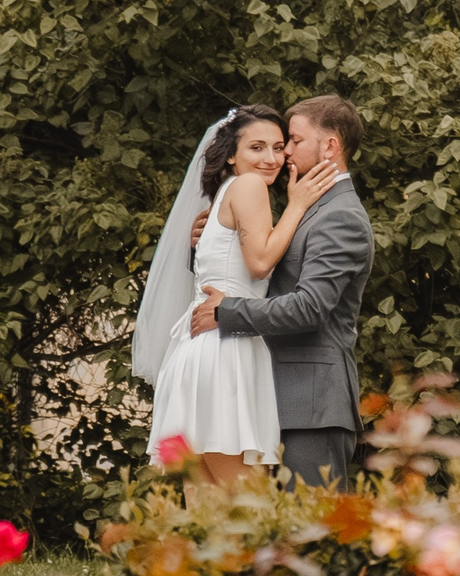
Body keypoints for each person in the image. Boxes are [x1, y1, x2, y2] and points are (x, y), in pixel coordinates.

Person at [132, 106, 341, 480]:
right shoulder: (248, 187)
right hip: (226, 352)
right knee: (248, 513)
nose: (272, 158)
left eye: (279, 147)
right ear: (231, 154)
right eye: (257, 148)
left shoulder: (224, 196)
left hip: (200, 350)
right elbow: (260, 263)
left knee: (208, 513)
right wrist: (296, 205)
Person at [183, 95, 374, 487]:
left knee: (311, 532)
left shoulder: (341, 217)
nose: (284, 151)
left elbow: (310, 308)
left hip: (312, 404)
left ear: (331, 146)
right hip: (270, 394)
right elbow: (256, 272)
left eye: (295, 140)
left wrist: (228, 312)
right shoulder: (304, 207)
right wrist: (205, 246)